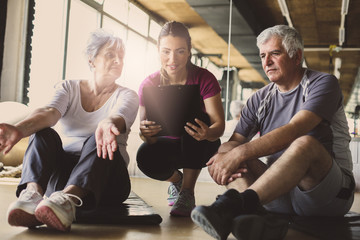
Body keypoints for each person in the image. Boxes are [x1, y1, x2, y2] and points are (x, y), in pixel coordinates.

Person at [191, 25, 355, 240]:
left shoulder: (322, 84)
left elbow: (294, 130)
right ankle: (253, 214)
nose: (266, 62)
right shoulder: (259, 99)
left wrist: (239, 154)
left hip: (326, 193)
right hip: (277, 191)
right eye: (262, 55)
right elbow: (232, 145)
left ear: (296, 57)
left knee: (304, 143)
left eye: (275, 54)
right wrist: (224, 158)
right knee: (229, 150)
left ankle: (239, 206)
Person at [2, 29, 139, 232]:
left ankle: (68, 200)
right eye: (111, 54)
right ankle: (32, 196)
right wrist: (20, 129)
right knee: (44, 133)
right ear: (92, 60)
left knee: (99, 137)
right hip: (63, 179)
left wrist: (107, 124)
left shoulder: (128, 95)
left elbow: (117, 117)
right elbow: (49, 112)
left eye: (121, 56)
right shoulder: (68, 87)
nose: (118, 61)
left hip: (108, 180)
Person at [136, 21, 225, 217]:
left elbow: (219, 126)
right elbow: (147, 136)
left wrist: (207, 132)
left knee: (196, 118)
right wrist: (146, 133)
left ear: (190, 50)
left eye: (180, 51)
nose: (172, 59)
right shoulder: (148, 84)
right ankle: (177, 180)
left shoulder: (205, 78)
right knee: (143, 155)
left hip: (200, 146)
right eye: (166, 51)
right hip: (168, 147)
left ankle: (187, 192)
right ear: (158, 49)